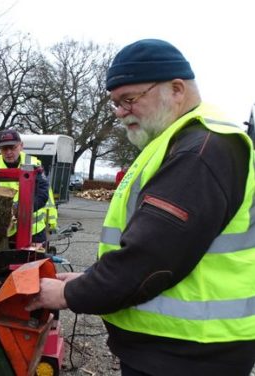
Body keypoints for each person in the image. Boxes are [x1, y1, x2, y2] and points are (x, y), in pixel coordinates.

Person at [25, 39, 255, 376]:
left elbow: (151, 257)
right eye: (115, 104)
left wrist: (69, 292)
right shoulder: (179, 141)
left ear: (177, 89)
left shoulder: (200, 150)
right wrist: (92, 278)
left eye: (129, 100)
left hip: (188, 354)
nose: (119, 112)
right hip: (183, 348)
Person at [0, 129, 54, 245]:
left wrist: (21, 208)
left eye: (13, 147)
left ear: (21, 146)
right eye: (4, 148)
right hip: (4, 230)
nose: (8, 152)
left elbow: (42, 194)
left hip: (33, 231)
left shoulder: (34, 164)